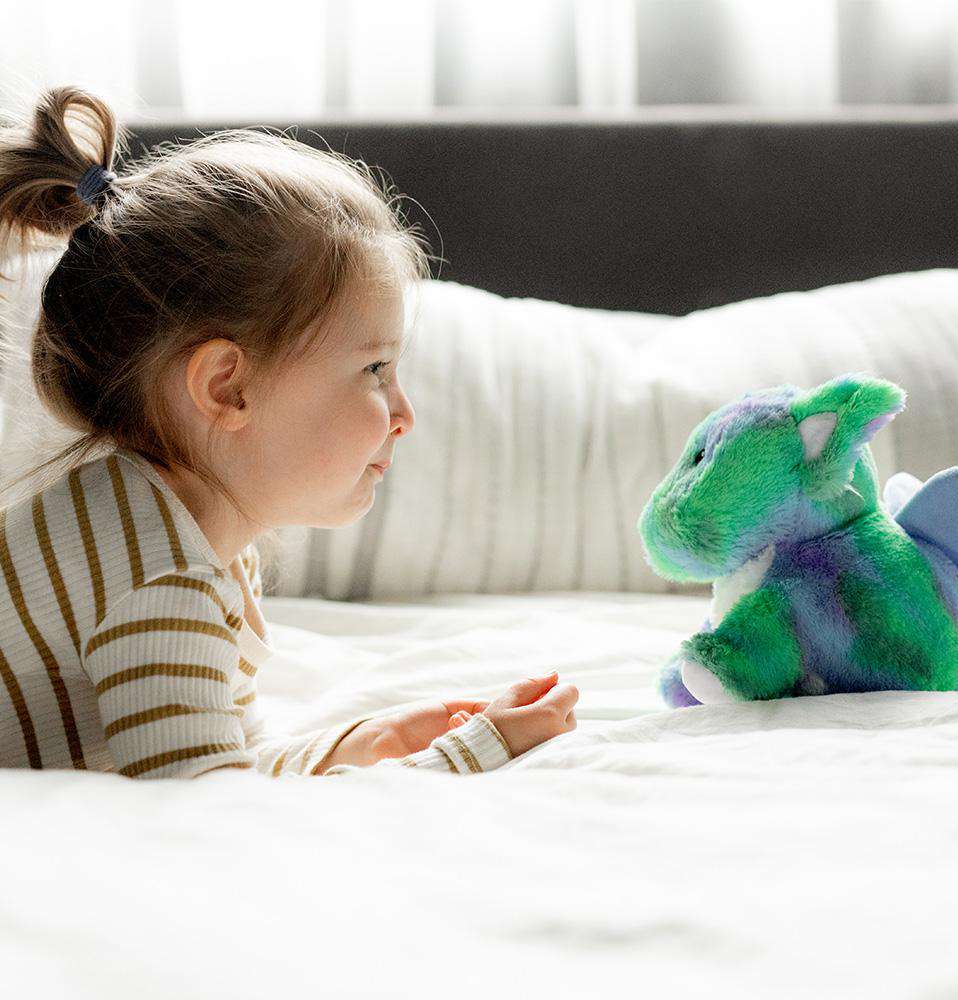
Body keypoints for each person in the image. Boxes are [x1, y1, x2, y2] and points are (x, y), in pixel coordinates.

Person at [0, 86, 578, 779]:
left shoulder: (167, 532)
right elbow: (215, 816)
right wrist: (467, 757)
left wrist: (368, 744)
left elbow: (220, 766)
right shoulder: (162, 577)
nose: (404, 414)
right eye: (374, 369)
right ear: (227, 387)